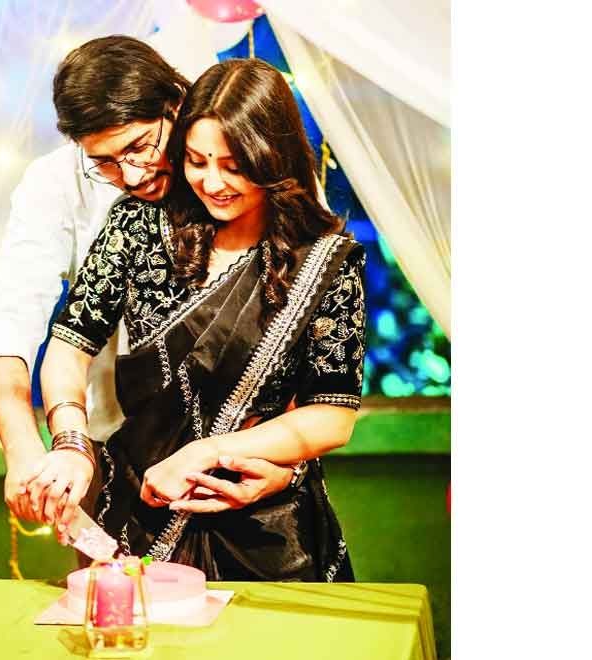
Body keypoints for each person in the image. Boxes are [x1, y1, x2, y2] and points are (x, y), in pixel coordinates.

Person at [38, 58, 368, 582]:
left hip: (267, 529)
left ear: (272, 156)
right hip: (140, 512)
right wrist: (71, 443)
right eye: (196, 161)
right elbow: (69, 344)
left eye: (233, 166)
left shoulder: (324, 260)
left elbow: (332, 415)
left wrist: (210, 451)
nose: (212, 182)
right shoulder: (140, 225)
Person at [0, 37, 296, 538]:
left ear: (176, 102)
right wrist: (32, 450)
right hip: (111, 449)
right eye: (104, 161)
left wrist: (288, 464)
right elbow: (11, 321)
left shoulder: (246, 151)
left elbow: (300, 311)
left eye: (141, 147)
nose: (132, 176)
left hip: (254, 457)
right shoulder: (60, 186)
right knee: (116, 589)